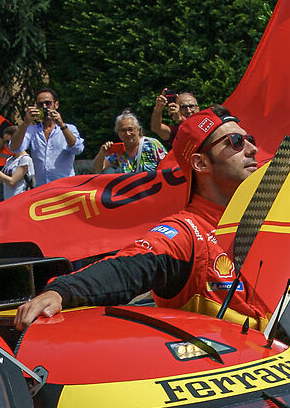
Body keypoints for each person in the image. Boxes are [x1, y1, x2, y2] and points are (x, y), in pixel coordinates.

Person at [15, 109, 263, 326]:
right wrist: (62, 292)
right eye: (236, 141)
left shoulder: (268, 214)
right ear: (201, 163)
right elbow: (129, 267)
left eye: (249, 139)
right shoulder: (187, 231)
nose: (252, 149)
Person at [18, 89, 83, 187]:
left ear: (56, 105)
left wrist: (61, 125)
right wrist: (26, 123)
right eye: (40, 105)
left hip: (64, 186)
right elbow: (15, 148)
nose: (44, 107)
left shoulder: (69, 128)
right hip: (42, 187)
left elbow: (78, 149)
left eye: (48, 103)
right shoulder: (32, 131)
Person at [100, 111, 166, 174]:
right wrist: (102, 152)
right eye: (123, 130)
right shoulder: (118, 152)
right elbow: (99, 168)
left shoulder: (152, 144)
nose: (127, 133)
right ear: (118, 132)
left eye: (130, 129)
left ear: (138, 130)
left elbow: (168, 165)